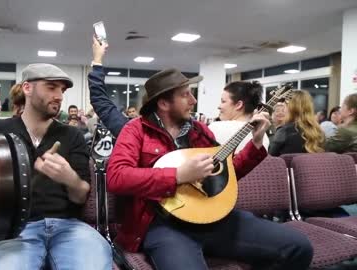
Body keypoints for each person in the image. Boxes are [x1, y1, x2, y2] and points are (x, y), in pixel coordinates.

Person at [106, 68, 313, 270]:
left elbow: (224, 175)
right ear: (163, 103)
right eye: (185, 95)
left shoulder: (200, 131)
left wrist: (256, 144)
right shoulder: (135, 130)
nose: (193, 100)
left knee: (299, 247)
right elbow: (116, 177)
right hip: (163, 224)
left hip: (212, 217)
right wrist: (178, 175)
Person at [0, 63, 111, 270]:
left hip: (69, 227)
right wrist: (12, 179)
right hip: (13, 228)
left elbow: (80, 196)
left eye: (62, 90)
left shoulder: (72, 135)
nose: (59, 95)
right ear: (27, 88)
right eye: (51, 87)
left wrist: (69, 177)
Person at [208, 81, 270, 153]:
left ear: (238, 105)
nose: (219, 106)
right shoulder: (262, 136)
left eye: (223, 101)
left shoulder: (214, 128)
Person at [88, 37, 130, 137]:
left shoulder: (135, 132)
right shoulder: (135, 131)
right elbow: (101, 102)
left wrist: (97, 60)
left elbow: (100, 101)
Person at [269, 90, 325, 156]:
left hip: (288, 166)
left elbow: (269, 159)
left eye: (285, 106)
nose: (283, 110)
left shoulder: (284, 131)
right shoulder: (319, 132)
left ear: (291, 108)